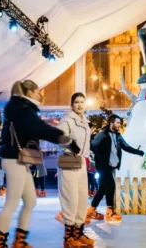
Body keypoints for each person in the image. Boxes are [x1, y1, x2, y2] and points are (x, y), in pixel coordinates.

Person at [0, 80, 73, 248]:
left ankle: (19, 241)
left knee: (30, 200)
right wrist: (63, 138)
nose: (40, 95)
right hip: (14, 159)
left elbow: (34, 129)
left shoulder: (22, 108)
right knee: (12, 202)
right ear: (29, 94)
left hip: (19, 158)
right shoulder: (22, 110)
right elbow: (40, 128)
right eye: (37, 92)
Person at [87, 114, 144, 223]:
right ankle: (110, 211)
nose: (119, 125)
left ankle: (91, 210)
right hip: (103, 165)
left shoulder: (118, 136)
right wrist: (88, 140)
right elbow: (93, 145)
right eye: (117, 122)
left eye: (119, 123)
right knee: (111, 186)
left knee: (102, 189)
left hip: (112, 165)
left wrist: (137, 152)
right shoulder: (102, 134)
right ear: (111, 123)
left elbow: (126, 146)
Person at [56, 92, 95, 247]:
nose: (79, 105)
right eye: (76, 102)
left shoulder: (85, 122)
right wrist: (70, 145)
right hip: (69, 162)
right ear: (72, 105)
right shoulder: (67, 120)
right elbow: (59, 136)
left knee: (81, 198)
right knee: (70, 198)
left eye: (82, 102)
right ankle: (68, 236)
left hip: (81, 162)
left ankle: (78, 232)